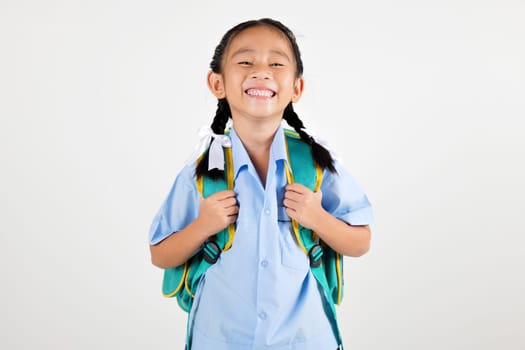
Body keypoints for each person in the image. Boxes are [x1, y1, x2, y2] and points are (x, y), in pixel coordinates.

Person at [149, 18, 374, 350]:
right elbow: (160, 254)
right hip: (220, 340)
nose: (260, 71)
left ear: (296, 87)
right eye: (244, 61)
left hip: (306, 340)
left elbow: (360, 242)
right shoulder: (202, 172)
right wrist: (203, 226)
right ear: (217, 83)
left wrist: (317, 218)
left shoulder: (318, 165)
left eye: (276, 63)